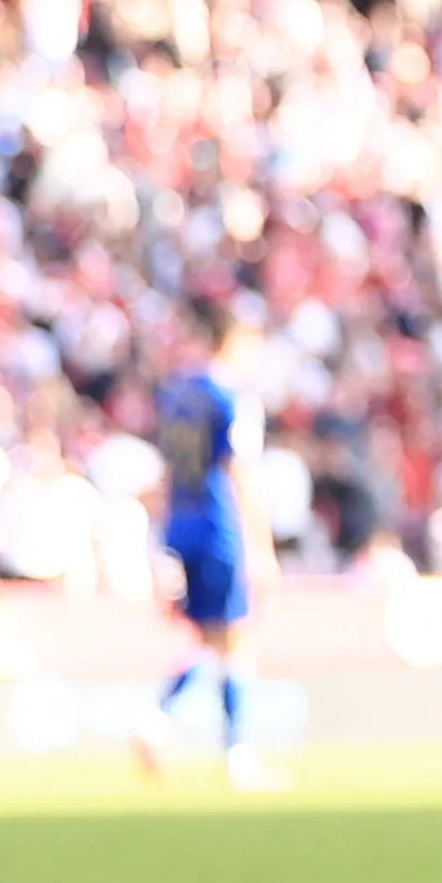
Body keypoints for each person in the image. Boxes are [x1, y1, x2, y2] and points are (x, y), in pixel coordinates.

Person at [138, 314, 282, 793]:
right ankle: (238, 758)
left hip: (181, 524)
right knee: (235, 640)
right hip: (221, 527)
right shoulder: (230, 399)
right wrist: (260, 546)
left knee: (205, 640)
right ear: (235, 341)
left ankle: (157, 721)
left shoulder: (179, 394)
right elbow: (239, 471)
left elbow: (168, 468)